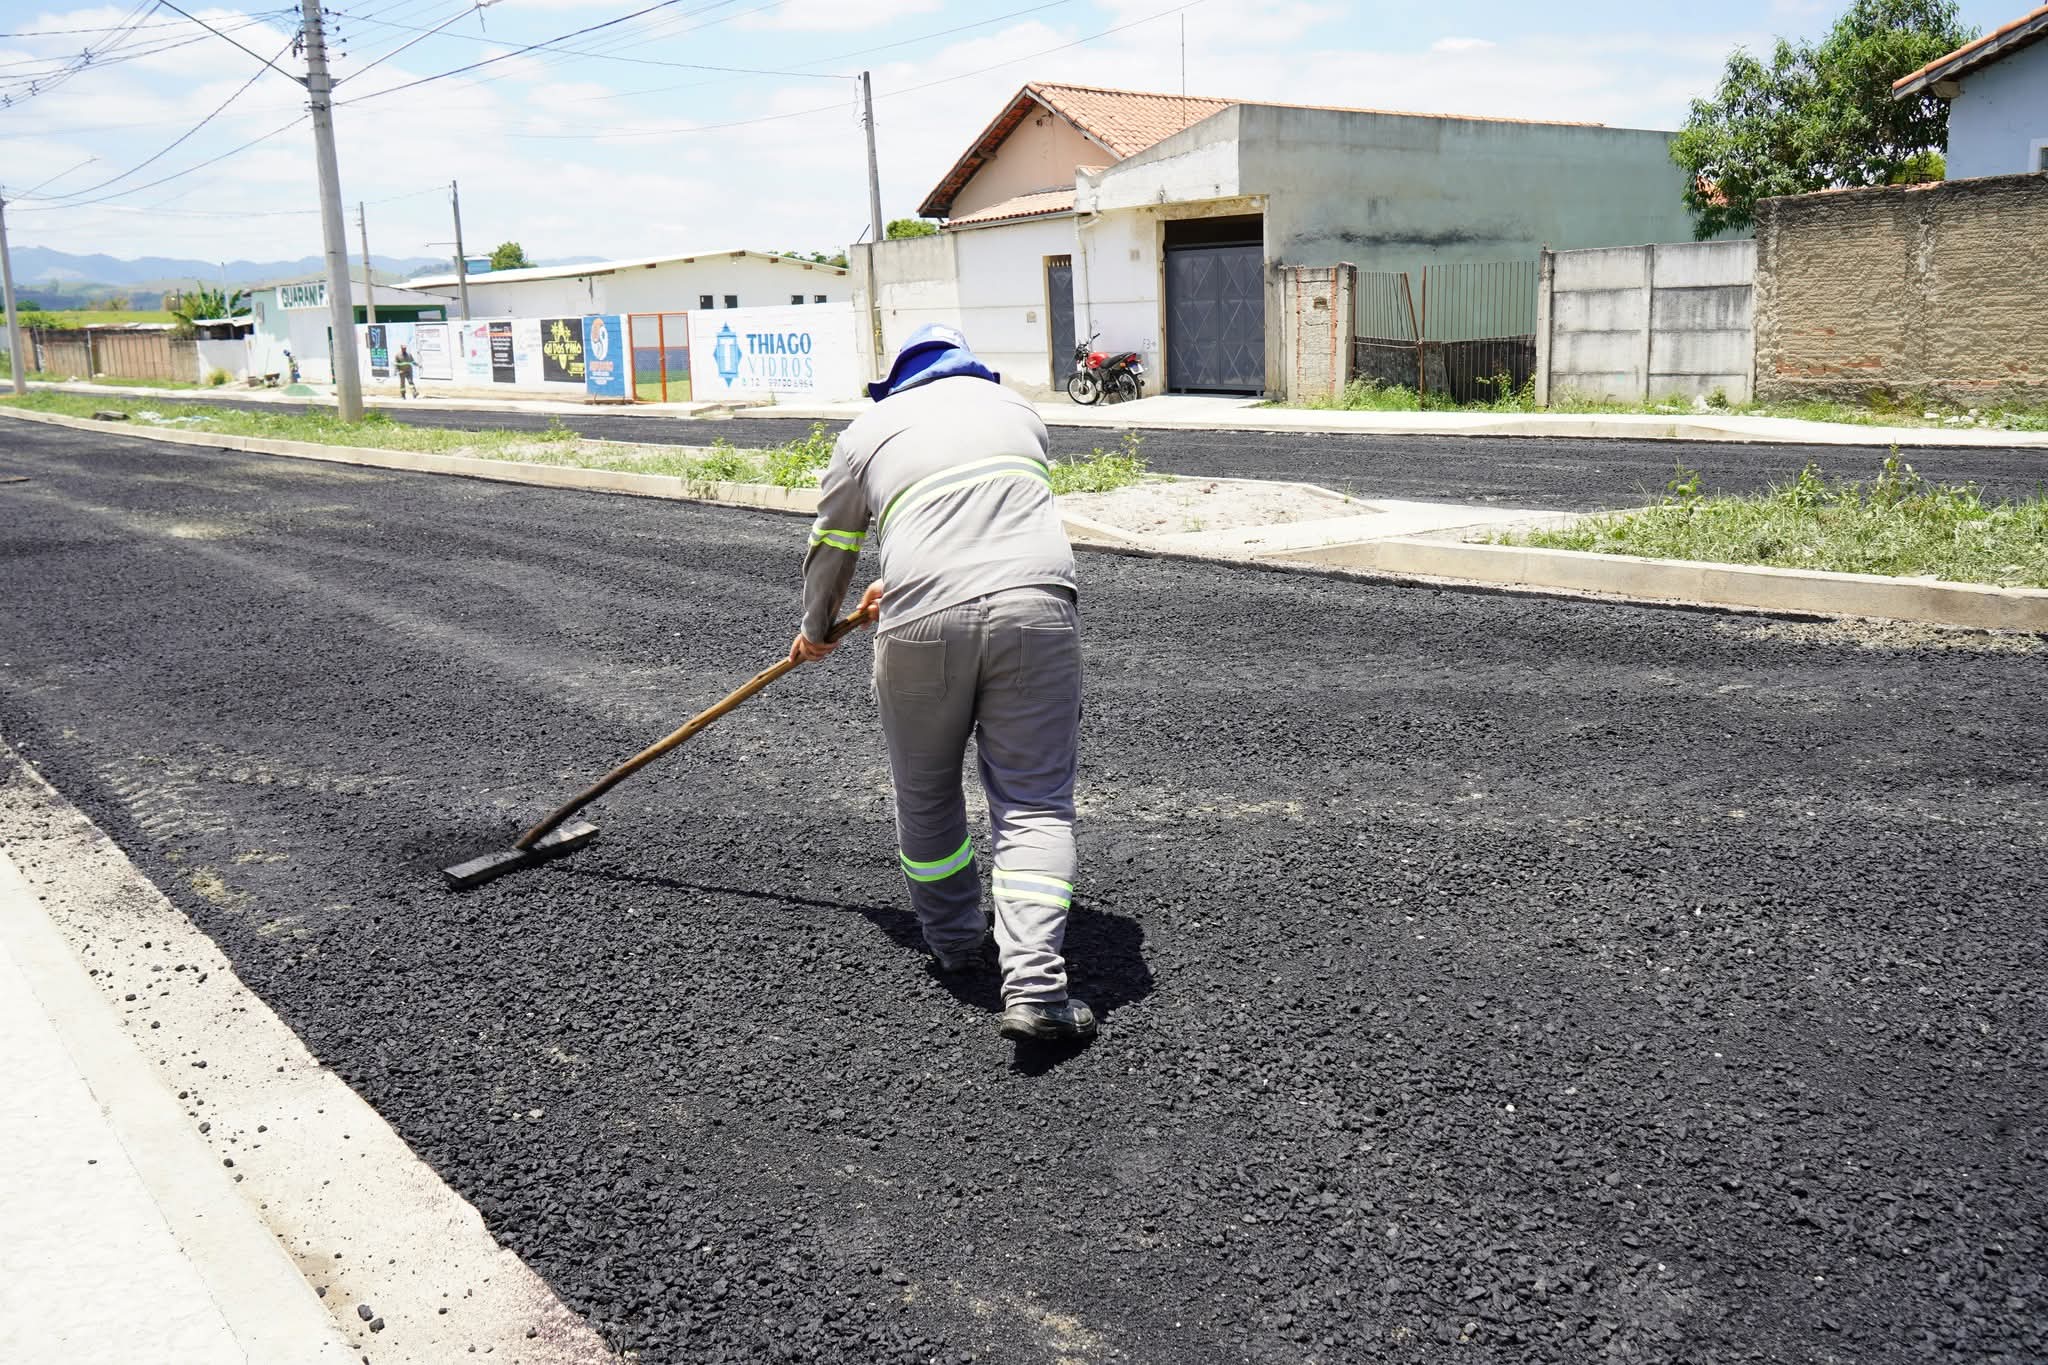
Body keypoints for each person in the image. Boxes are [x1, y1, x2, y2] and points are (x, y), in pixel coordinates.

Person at [791, 324, 1094, 1042]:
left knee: (926, 792)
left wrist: (817, 627)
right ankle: (1038, 989)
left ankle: (959, 945)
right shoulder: (1020, 411)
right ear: (969, 370)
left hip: (920, 622)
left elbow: (833, 544)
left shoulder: (866, 433)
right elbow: (989, 520)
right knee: (1035, 806)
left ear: (899, 381)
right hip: (1038, 610)